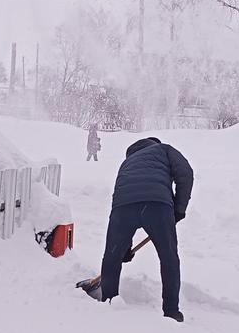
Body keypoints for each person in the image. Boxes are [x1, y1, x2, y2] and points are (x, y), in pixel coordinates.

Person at [83, 137, 193, 321]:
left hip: (122, 208)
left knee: (112, 257)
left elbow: (125, 195)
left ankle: (109, 302)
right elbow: (185, 174)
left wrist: (123, 248)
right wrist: (179, 209)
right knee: (169, 258)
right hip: (157, 206)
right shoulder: (164, 150)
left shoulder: (126, 163)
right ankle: (172, 311)